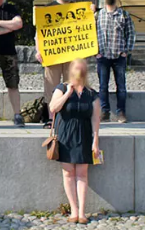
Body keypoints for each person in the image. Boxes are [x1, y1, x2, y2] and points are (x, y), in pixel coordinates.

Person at [48, 59, 100, 225]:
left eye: (82, 69)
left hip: (84, 134)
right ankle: (74, 210)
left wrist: (96, 140)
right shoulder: (62, 88)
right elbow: (53, 108)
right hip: (66, 134)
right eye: (77, 69)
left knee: (82, 173)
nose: (80, 72)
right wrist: (67, 94)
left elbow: (95, 118)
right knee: (68, 173)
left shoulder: (91, 93)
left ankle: (82, 211)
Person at [36, 0, 76, 129]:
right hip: (52, 54)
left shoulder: (77, 8)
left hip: (71, 54)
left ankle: (68, 117)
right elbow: (40, 33)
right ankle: (51, 119)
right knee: (51, 86)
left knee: (70, 85)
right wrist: (38, 50)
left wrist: (91, 11)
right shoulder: (48, 8)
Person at [95, 0, 135, 123]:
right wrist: (96, 52)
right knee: (102, 86)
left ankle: (121, 113)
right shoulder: (98, 15)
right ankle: (104, 111)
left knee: (121, 87)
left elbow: (130, 33)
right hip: (103, 56)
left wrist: (126, 51)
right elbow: (91, 34)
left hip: (119, 56)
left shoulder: (124, 15)